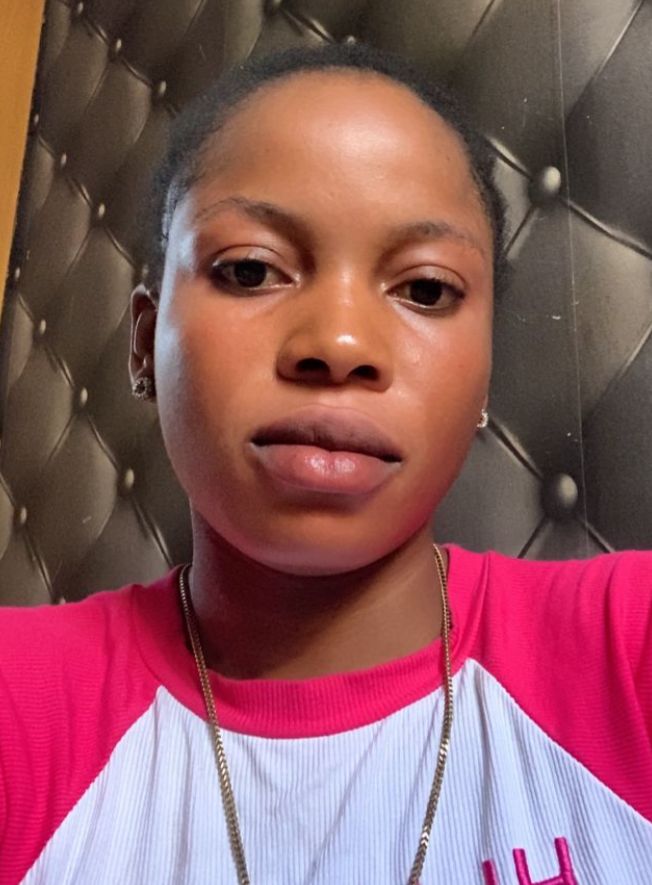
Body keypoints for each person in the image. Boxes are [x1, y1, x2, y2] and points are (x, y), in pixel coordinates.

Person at [1, 43, 650, 885]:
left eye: (424, 289)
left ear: (484, 374)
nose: (339, 344)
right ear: (144, 343)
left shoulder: (625, 651)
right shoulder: (20, 702)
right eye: (250, 270)